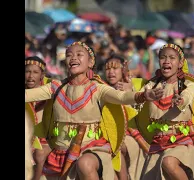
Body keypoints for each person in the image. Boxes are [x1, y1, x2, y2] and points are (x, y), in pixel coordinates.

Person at [25, 41, 163, 180]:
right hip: (61, 153)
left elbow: (121, 97)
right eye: (69, 55)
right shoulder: (55, 87)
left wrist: (143, 95)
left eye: (79, 54)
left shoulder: (97, 88)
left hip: (91, 148)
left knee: (85, 164)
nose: (73, 58)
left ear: (90, 62)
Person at [139, 44, 194, 180]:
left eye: (172, 58)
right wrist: (139, 94)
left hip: (181, 142)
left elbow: (188, 96)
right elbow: (137, 97)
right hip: (157, 143)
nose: (166, 61)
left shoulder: (188, 85)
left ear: (180, 63)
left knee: (168, 162)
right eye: (163, 57)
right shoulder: (151, 86)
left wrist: (181, 100)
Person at [103, 53, 147, 180]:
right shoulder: (101, 88)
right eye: (108, 69)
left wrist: (131, 91)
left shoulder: (137, 85)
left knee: (114, 145)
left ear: (124, 70)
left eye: (115, 68)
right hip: (108, 136)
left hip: (132, 136)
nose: (111, 72)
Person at [25, 56, 52, 180]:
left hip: (46, 140)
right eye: (27, 71)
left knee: (39, 154)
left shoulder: (49, 91)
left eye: (35, 72)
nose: (30, 76)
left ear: (42, 75)